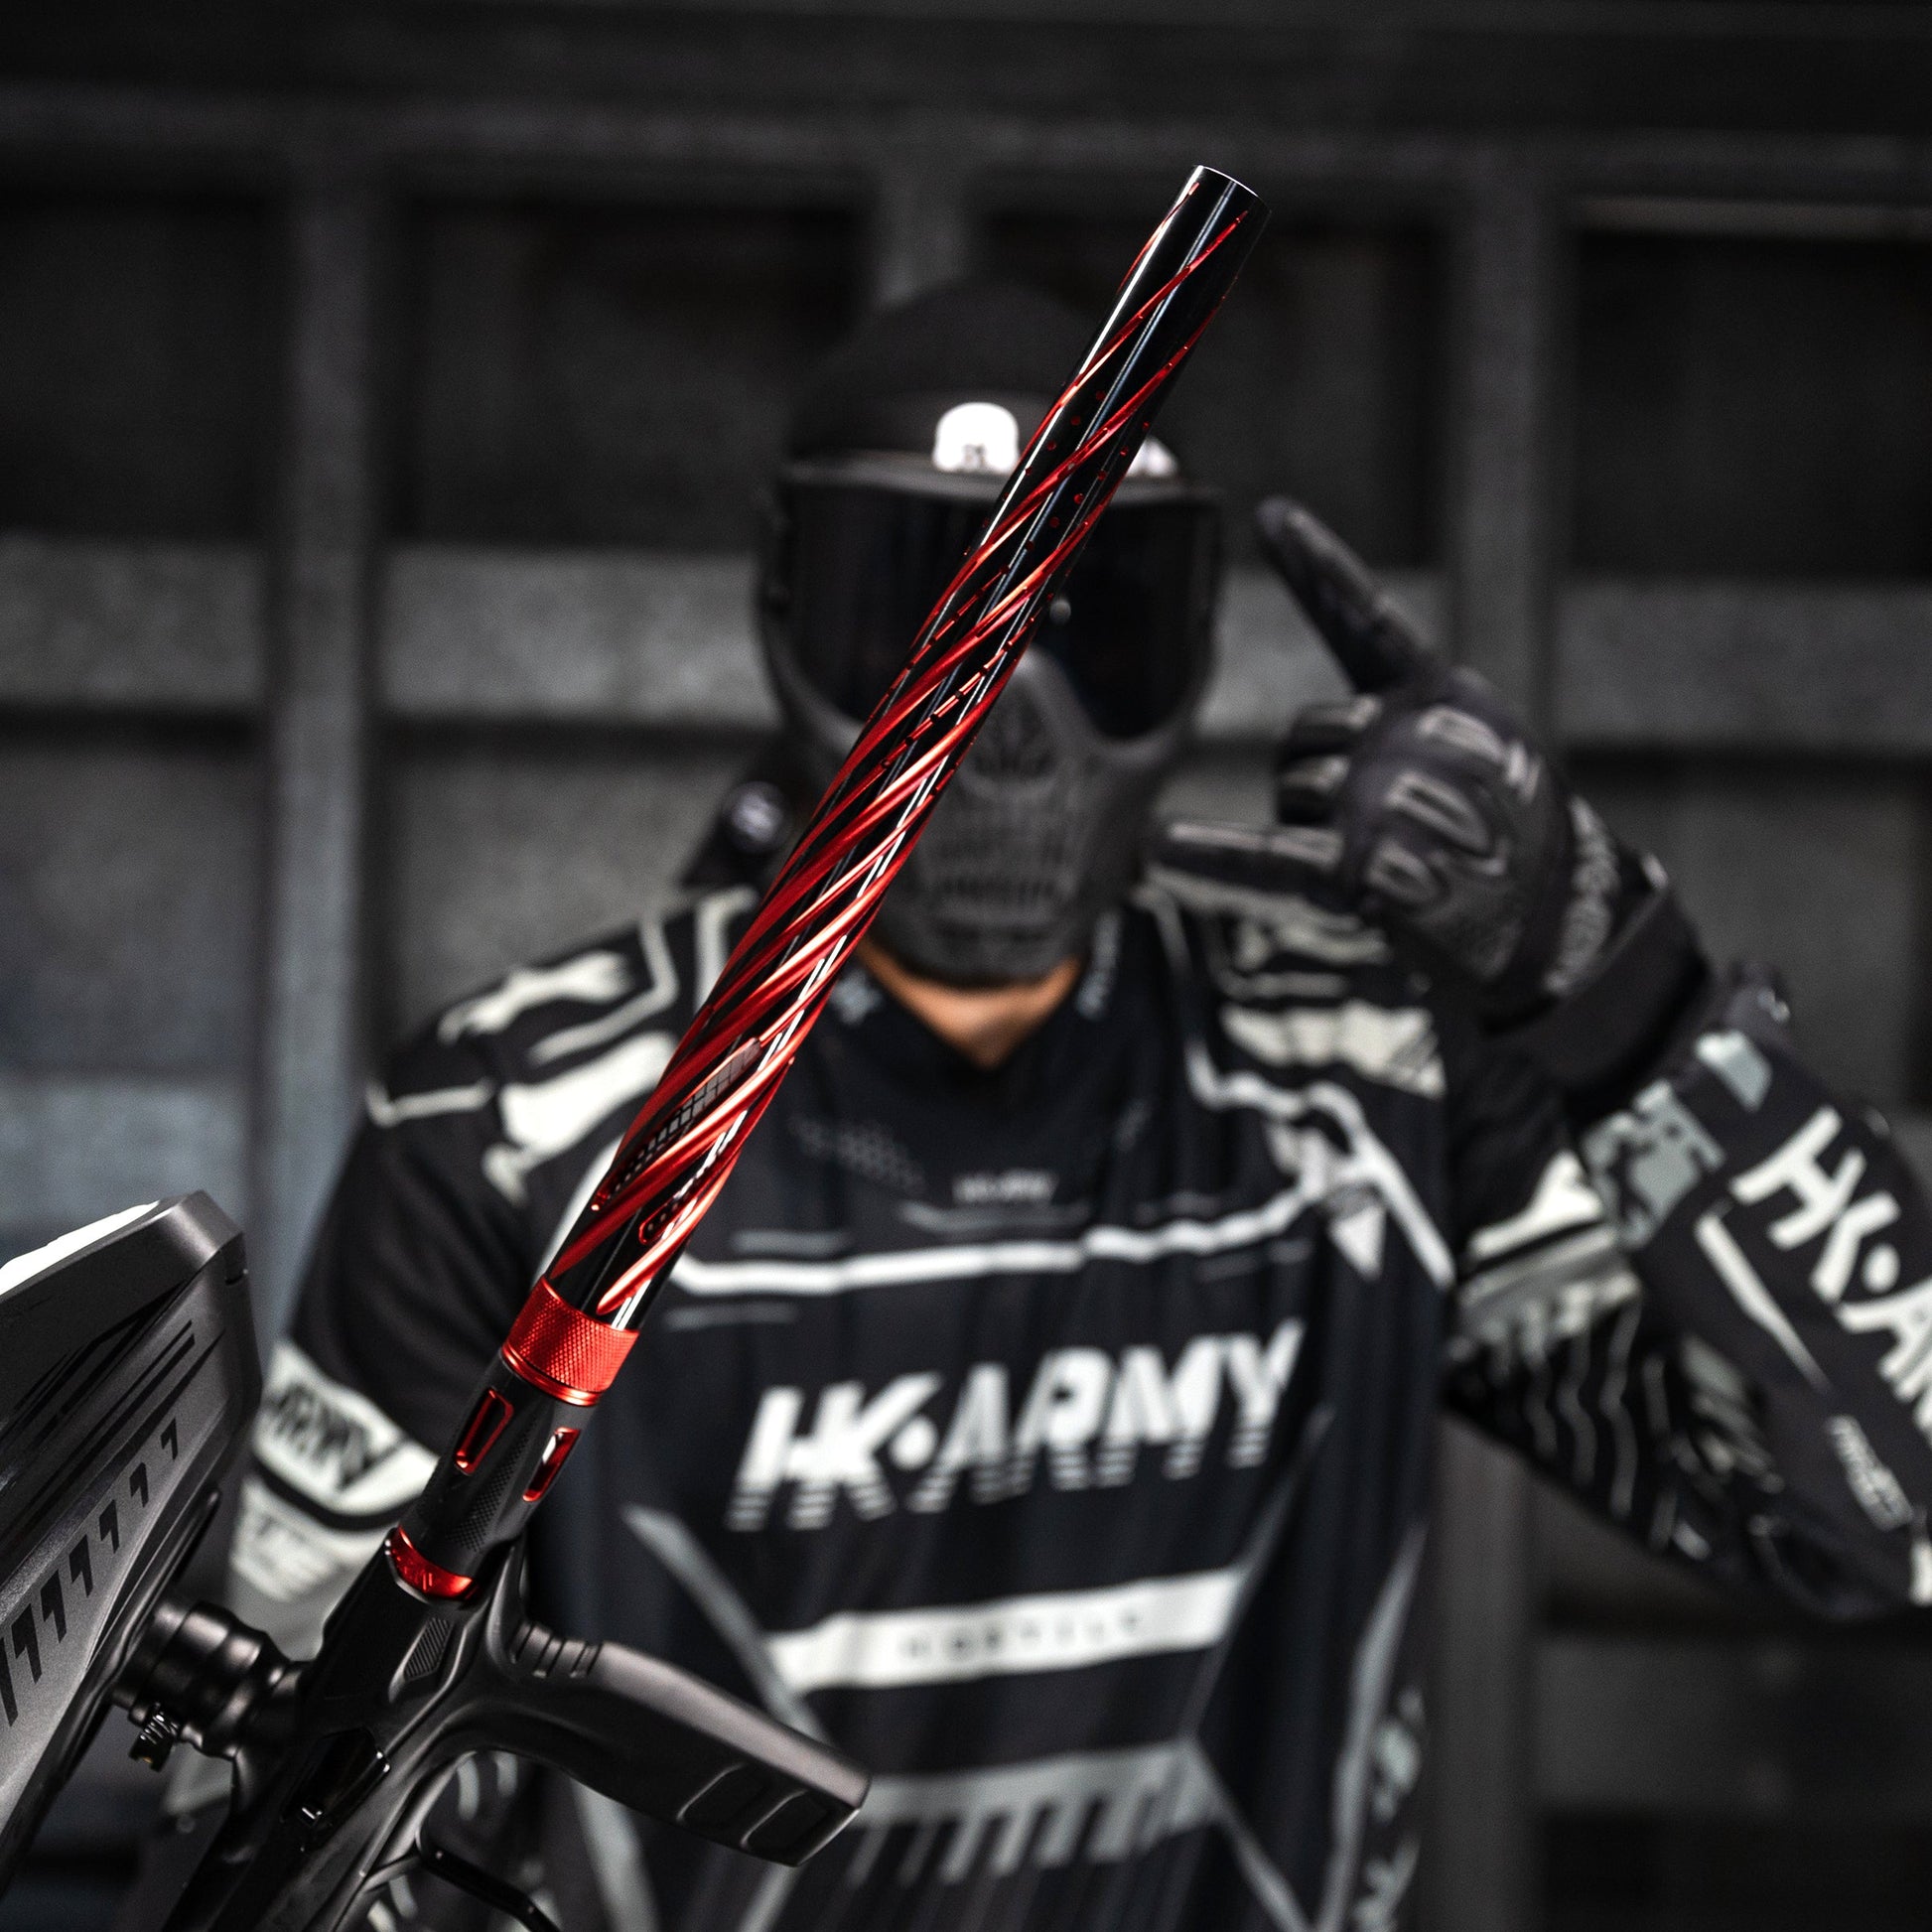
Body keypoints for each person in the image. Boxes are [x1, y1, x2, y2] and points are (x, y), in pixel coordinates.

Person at [210, 282, 1932, 1931]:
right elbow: (290, 1784)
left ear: (1191, 640)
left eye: (1088, 622)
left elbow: (1891, 1513)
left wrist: (1622, 1003)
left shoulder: (1368, 1069)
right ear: (789, 616)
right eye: (921, 619)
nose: (1000, 729)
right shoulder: (520, 1127)